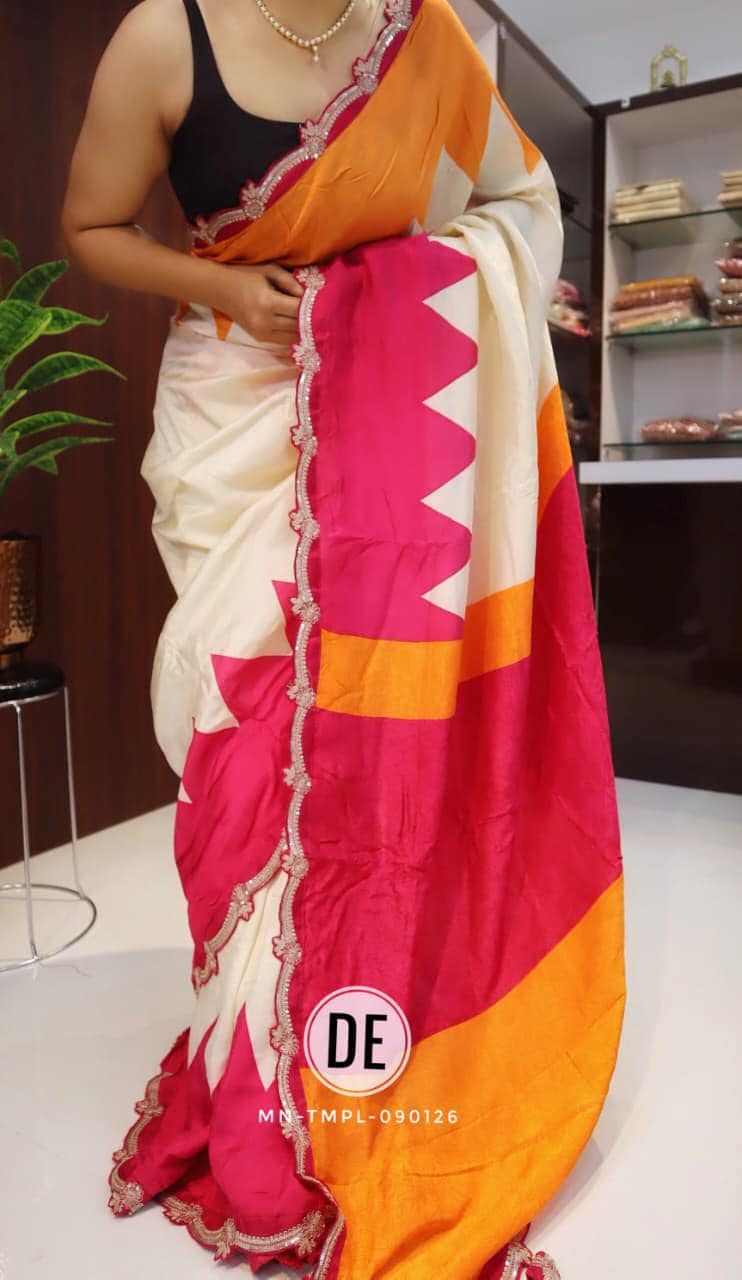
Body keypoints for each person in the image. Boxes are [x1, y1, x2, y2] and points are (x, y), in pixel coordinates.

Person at [60, 2, 626, 1278]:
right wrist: (223, 286)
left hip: (399, 426)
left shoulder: (425, 33)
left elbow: (519, 206)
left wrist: (391, 298)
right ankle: (258, 1065)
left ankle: (369, 1016)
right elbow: (90, 229)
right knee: (241, 747)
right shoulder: (166, 37)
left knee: (372, 756)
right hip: (237, 417)